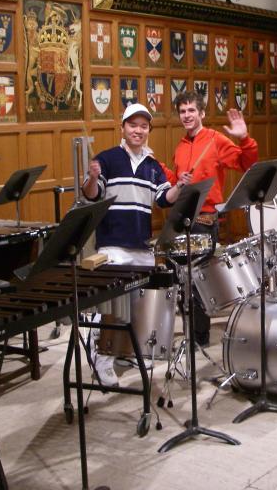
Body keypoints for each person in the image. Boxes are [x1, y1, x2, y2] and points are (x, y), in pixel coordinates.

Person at [82, 103, 191, 386]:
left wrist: (179, 186)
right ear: (122, 128)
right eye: (133, 125)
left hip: (141, 247)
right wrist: (92, 177)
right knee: (111, 308)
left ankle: (125, 351)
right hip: (113, 245)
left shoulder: (153, 166)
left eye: (143, 126)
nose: (138, 130)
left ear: (148, 131)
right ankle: (101, 358)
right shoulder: (106, 158)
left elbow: (163, 199)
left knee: (137, 307)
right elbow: (92, 195)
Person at [162, 90, 259, 345]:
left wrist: (244, 138)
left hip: (204, 221)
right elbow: (177, 184)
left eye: (191, 110)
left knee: (196, 281)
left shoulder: (216, 140)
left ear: (202, 113)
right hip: (181, 220)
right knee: (180, 279)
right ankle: (190, 333)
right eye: (182, 111)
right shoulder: (181, 146)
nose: (186, 115)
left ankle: (199, 338)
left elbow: (245, 163)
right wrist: (160, 169)